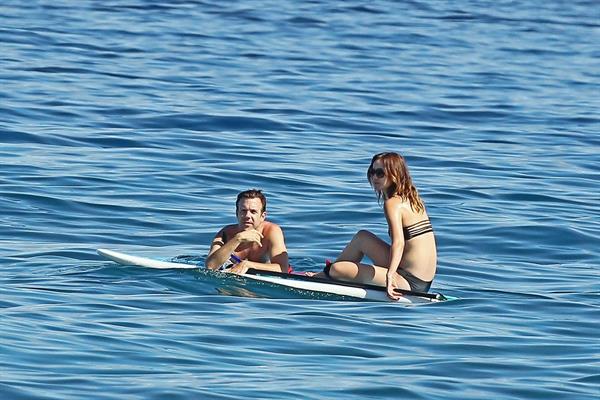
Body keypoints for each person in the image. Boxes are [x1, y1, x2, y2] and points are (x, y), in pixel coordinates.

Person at [323, 152, 437, 300]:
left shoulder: (392, 204)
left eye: (380, 173)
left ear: (394, 175)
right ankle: (323, 275)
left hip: (408, 282)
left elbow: (399, 243)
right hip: (421, 279)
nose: (374, 177)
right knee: (362, 237)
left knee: (337, 269)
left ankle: (327, 274)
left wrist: (390, 277)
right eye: (372, 172)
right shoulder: (413, 199)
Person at [206, 189, 289, 275]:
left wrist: (248, 265)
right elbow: (210, 266)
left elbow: (283, 269)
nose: (247, 216)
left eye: (253, 212)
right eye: (243, 211)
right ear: (237, 213)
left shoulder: (271, 231)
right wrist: (237, 239)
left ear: (262, 216)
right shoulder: (225, 233)